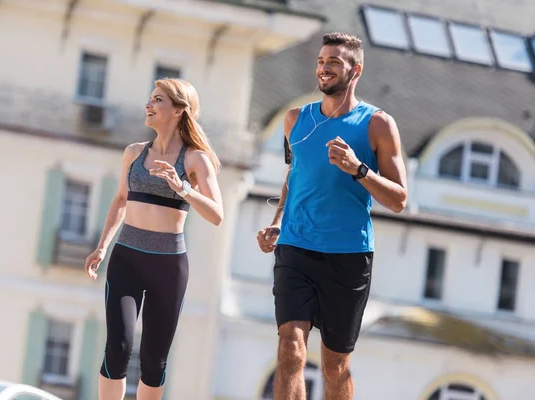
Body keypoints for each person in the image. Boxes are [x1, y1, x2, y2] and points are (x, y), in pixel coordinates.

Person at [257, 32, 407, 399]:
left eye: (333, 63)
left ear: (355, 70)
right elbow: (295, 176)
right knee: (290, 346)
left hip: (349, 255)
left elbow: (400, 199)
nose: (324, 69)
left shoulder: (377, 124)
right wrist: (277, 221)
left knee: (334, 365)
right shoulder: (295, 120)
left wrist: (359, 169)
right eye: (321, 62)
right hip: (296, 246)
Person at [84, 78, 223, 400]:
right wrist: (102, 246)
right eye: (150, 98)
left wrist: (182, 188)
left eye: (157, 100)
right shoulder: (133, 153)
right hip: (126, 258)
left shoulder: (195, 160)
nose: (148, 105)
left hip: (168, 266)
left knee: (153, 358)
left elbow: (217, 215)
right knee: (117, 346)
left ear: (178, 110)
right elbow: (120, 199)